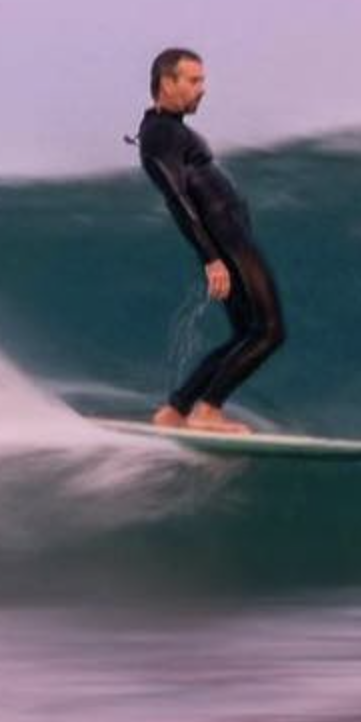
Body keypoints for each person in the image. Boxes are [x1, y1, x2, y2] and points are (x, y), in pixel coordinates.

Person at [134, 48, 286, 434]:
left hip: (229, 239)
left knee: (246, 333)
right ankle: (208, 411)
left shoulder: (169, 128)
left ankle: (176, 410)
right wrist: (212, 258)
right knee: (269, 331)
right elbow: (178, 198)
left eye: (203, 81)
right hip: (228, 243)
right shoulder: (160, 134)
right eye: (194, 81)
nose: (203, 89)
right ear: (167, 83)